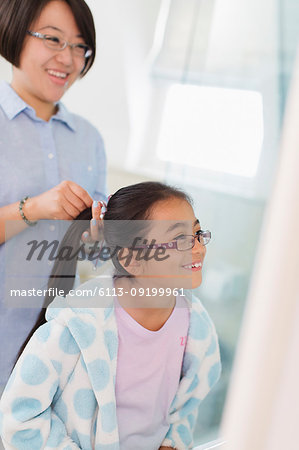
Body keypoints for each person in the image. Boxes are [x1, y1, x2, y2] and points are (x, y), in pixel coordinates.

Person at [0, 181, 221, 450]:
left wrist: (171, 443)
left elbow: (185, 407)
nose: (198, 248)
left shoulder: (194, 326)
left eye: (197, 233)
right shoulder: (75, 328)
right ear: (131, 260)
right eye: (180, 240)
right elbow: (19, 417)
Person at [0, 0, 106, 388]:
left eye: (80, 46)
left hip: (54, 351)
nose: (69, 58)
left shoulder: (90, 139)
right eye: (53, 39)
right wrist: (36, 207)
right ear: (13, 32)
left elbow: (96, 251)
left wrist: (99, 234)